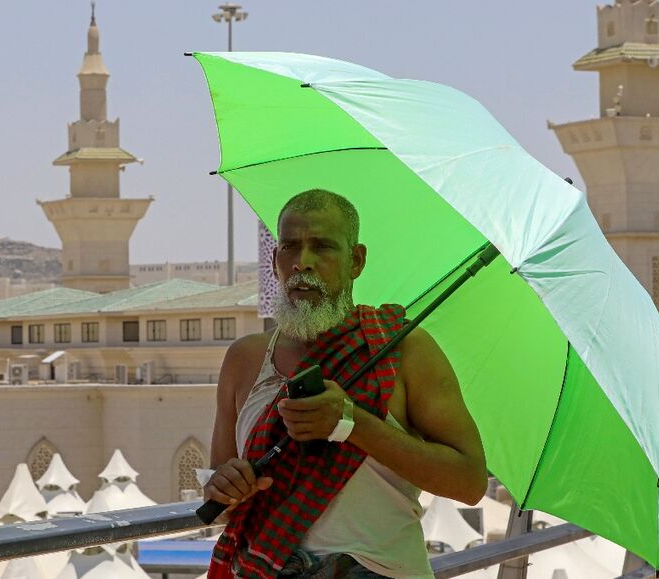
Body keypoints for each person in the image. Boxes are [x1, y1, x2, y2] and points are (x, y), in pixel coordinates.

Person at [205, 189, 487, 579]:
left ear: (356, 261)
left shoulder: (404, 349)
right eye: (290, 247)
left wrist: (353, 423)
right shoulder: (244, 359)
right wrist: (223, 486)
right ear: (274, 262)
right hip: (264, 568)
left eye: (322, 247)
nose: (303, 263)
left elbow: (469, 483)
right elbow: (218, 487)